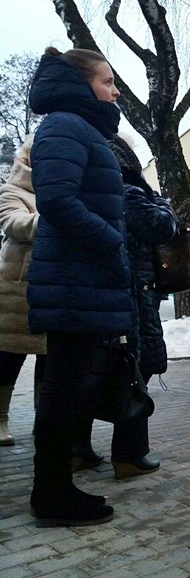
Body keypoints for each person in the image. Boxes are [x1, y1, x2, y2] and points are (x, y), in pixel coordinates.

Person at [27, 46, 132, 526]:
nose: (115, 92)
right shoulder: (65, 125)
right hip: (74, 280)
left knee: (66, 389)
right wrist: (112, 243)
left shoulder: (82, 128)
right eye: (108, 82)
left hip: (81, 280)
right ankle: (50, 495)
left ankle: (55, 489)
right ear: (81, 84)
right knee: (62, 390)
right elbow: (57, 202)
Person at [72, 134, 178, 479]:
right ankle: (129, 456)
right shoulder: (129, 193)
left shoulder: (88, 193)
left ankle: (78, 450)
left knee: (92, 372)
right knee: (133, 372)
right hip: (134, 298)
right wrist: (163, 202)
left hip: (102, 296)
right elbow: (163, 226)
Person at [0, 136, 47, 447]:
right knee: (7, 359)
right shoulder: (11, 191)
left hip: (52, 289)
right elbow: (13, 223)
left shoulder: (62, 189)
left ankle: (45, 420)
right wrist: (58, 217)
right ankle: (0, 418)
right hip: (15, 292)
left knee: (50, 361)